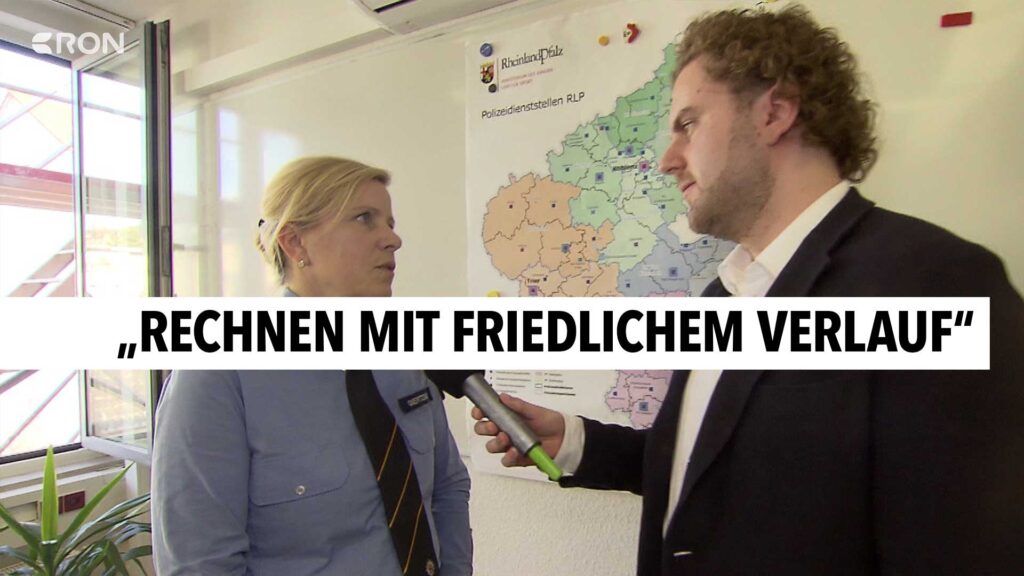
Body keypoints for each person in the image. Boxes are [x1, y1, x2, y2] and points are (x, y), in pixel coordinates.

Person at [474, 6, 1024, 575]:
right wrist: (573, 441)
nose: (667, 161)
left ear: (775, 113)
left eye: (689, 124)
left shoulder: (936, 283)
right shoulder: (724, 296)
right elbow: (711, 472)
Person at [153, 156, 472, 576]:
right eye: (365, 219)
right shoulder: (218, 374)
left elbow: (448, 487)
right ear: (295, 243)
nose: (393, 239)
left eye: (390, 223)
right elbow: (200, 562)